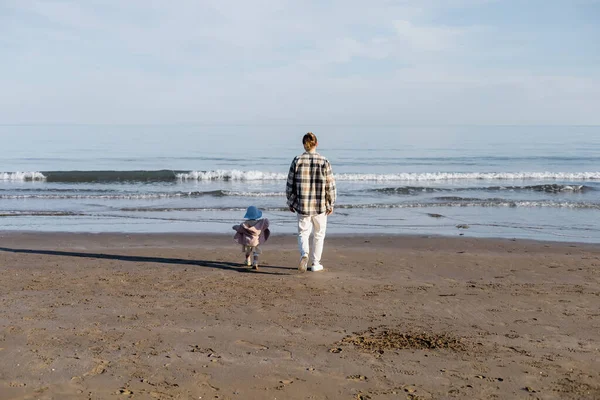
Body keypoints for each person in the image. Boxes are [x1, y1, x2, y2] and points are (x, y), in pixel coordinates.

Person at [286, 132, 336, 272]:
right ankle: (315, 263)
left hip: (302, 205)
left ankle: (304, 254)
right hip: (319, 205)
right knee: (319, 234)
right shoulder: (324, 161)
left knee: (303, 232)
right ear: (317, 144)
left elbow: (290, 183)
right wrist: (330, 203)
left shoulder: (297, 160)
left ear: (304, 144)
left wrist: (290, 201)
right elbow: (330, 185)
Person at [232, 206, 270, 270]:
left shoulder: (245, 224)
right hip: (256, 241)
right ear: (257, 215)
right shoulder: (259, 224)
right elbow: (266, 223)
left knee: (248, 252)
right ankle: (255, 262)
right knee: (255, 252)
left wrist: (234, 227)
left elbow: (239, 229)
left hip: (248, 241)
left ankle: (248, 261)